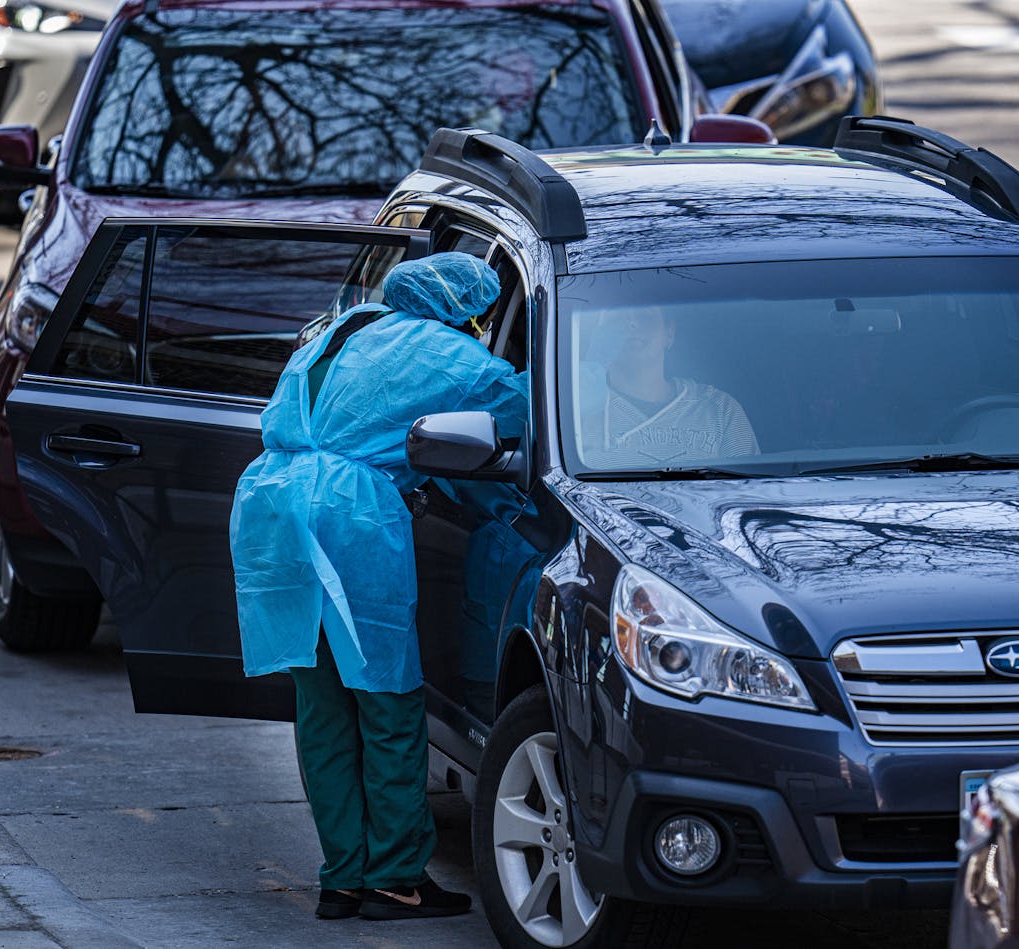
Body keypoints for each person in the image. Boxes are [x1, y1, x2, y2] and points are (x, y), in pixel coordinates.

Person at [228, 252, 527, 922]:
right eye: (480, 314)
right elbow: (524, 407)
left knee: (323, 703)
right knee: (387, 700)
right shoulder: (444, 348)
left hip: (272, 505)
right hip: (348, 515)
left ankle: (342, 877)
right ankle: (395, 877)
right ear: (464, 307)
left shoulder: (345, 326)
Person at [580, 306, 758, 467]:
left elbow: (750, 491)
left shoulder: (719, 409)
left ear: (669, 333)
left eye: (645, 314)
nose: (631, 324)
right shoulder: (573, 409)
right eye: (617, 317)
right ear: (598, 334)